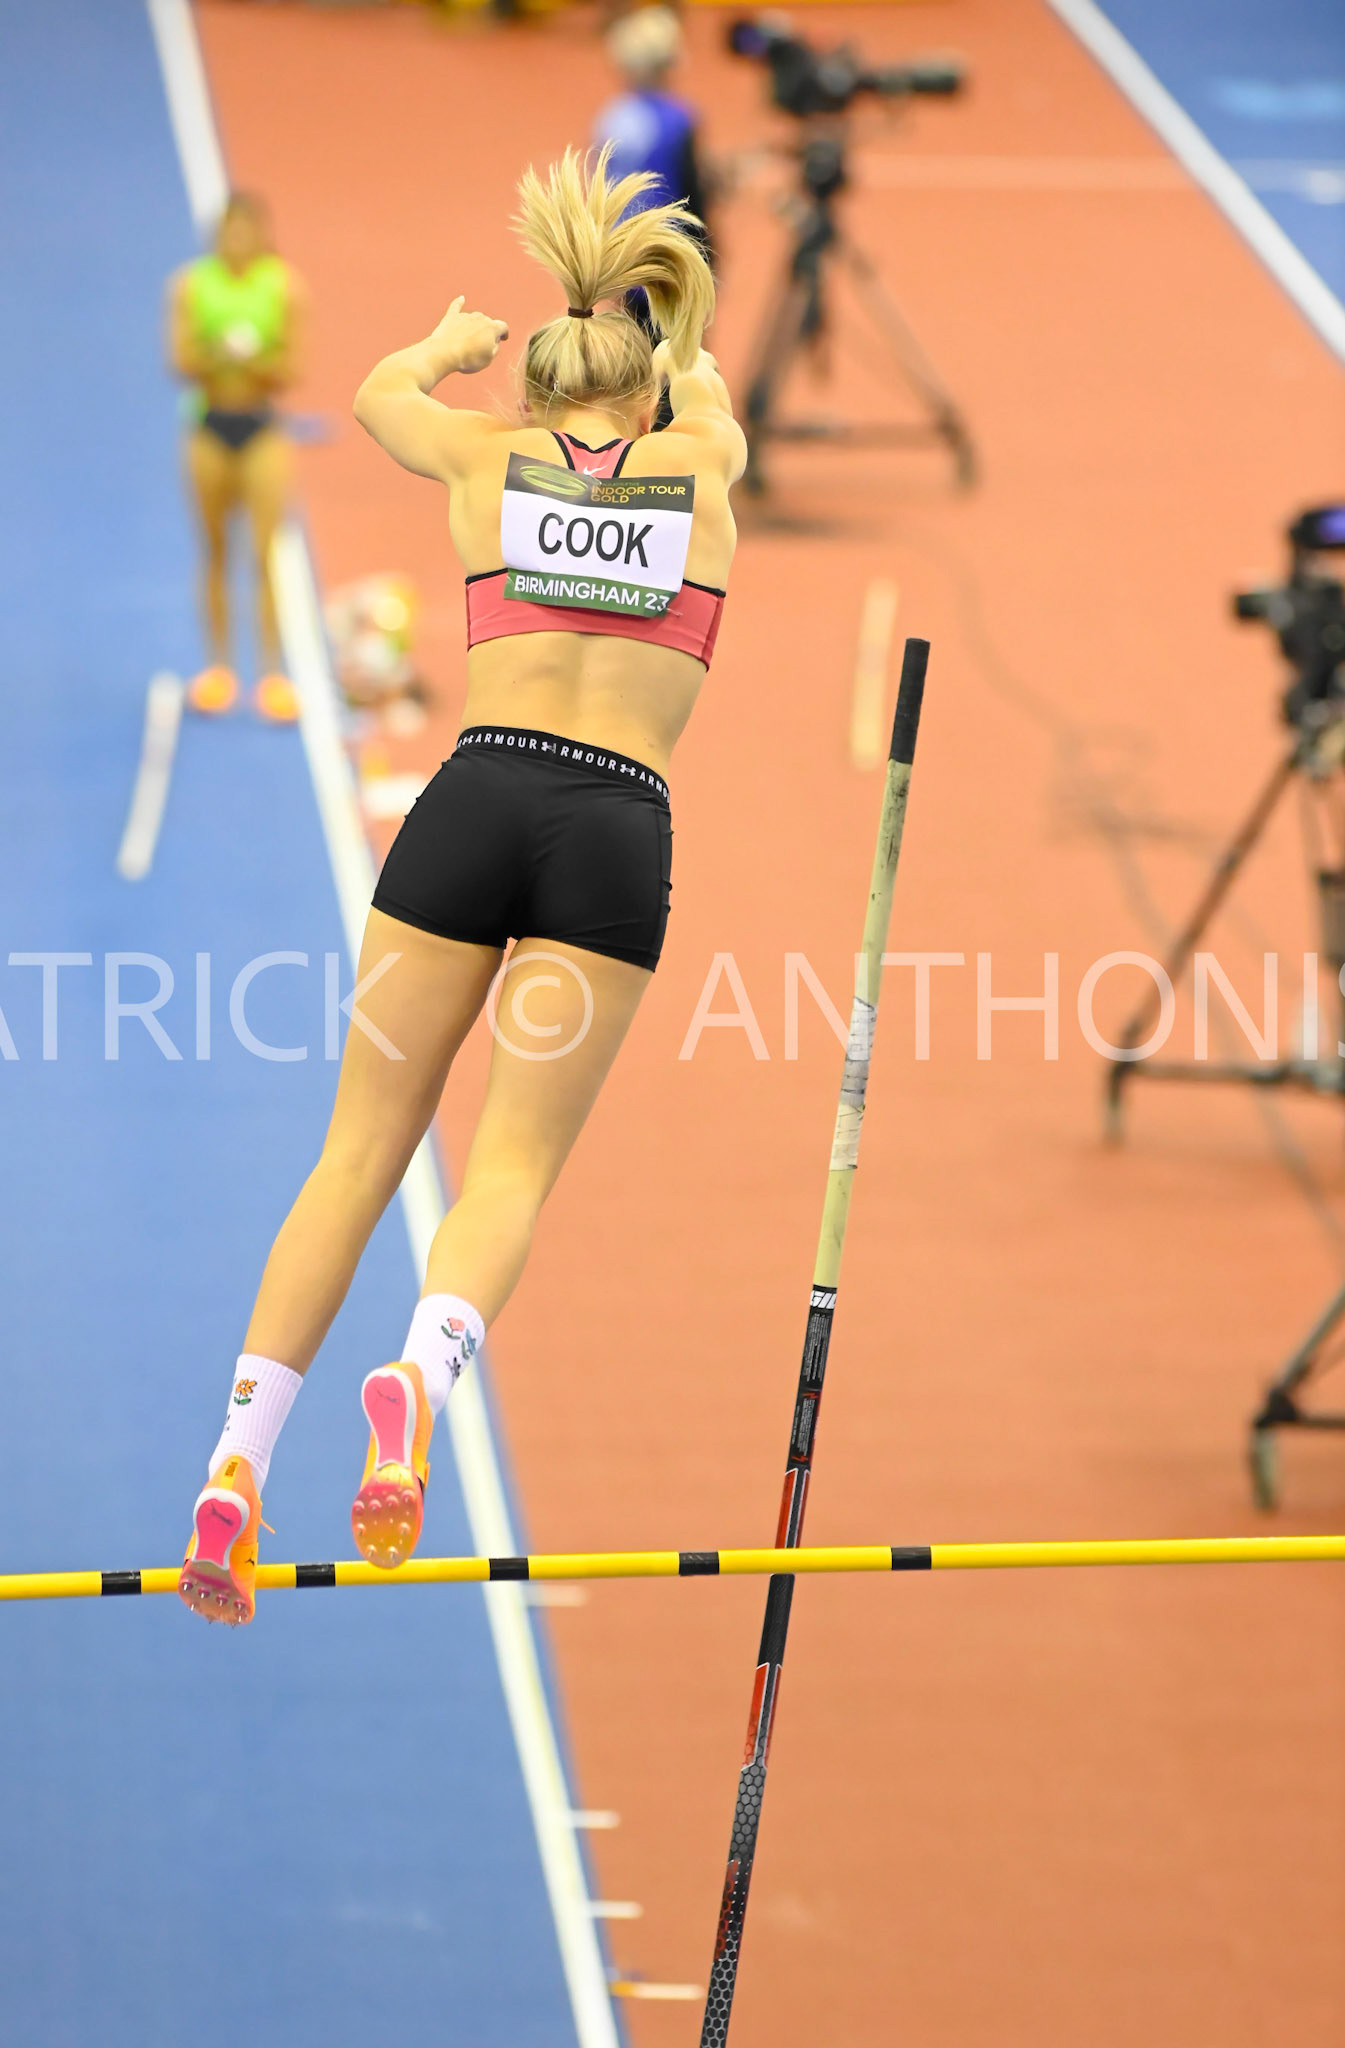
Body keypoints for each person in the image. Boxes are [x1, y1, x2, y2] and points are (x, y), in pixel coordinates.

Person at [179, 146, 745, 1625]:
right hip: (612, 825)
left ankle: (237, 1463)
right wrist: (675, 347)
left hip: (473, 798)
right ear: (646, 397)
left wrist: (443, 348)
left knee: (357, 1150)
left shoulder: (488, 464)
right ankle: (419, 1382)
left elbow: (378, 397)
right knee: (508, 1170)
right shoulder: (700, 468)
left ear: (537, 398)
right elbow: (710, 393)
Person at [167, 191, 306, 724]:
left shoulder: (285, 286)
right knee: (215, 549)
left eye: (248, 231)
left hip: (261, 430)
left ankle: (272, 675)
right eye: (231, 232)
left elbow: (292, 369)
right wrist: (222, 353)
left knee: (266, 552)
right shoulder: (190, 284)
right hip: (209, 429)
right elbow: (180, 360)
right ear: (218, 236)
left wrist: (251, 362)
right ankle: (219, 669)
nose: (239, 241)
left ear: (262, 235)